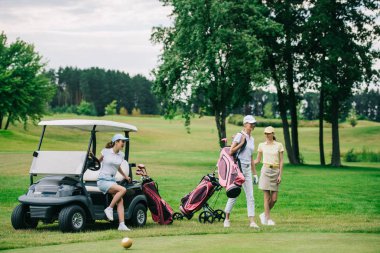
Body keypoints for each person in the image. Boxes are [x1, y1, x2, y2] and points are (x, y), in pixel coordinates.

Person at [223, 115, 260, 229]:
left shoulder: (252, 139)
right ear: (245, 124)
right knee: (234, 195)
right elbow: (231, 151)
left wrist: (255, 174)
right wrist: (241, 143)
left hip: (248, 169)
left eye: (253, 123)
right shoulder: (239, 135)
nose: (252, 125)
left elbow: (251, 157)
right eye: (250, 123)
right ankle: (227, 219)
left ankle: (252, 221)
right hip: (238, 169)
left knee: (251, 196)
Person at [97, 133, 132, 231]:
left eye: (124, 142)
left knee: (120, 200)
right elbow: (97, 162)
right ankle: (109, 208)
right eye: (122, 141)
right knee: (122, 190)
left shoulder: (121, 155)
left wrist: (125, 176)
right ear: (116, 142)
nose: (123, 143)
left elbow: (118, 167)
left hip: (112, 181)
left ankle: (121, 225)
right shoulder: (105, 152)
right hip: (103, 180)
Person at [254, 126, 284, 226]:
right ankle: (267, 219)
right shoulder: (261, 145)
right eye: (265, 133)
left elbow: (281, 161)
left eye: (269, 133)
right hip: (265, 171)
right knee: (266, 198)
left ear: (273, 134)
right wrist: (248, 163)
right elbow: (258, 160)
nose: (267, 135)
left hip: (275, 171)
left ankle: (264, 214)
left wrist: (280, 174)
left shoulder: (279, 145)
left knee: (274, 198)